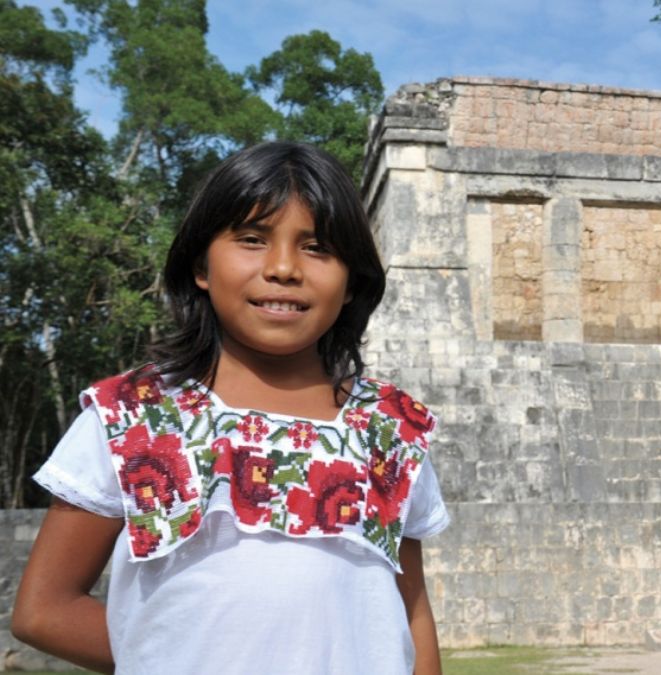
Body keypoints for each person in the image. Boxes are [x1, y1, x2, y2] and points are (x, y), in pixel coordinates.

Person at [11, 142, 449, 675]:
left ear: (352, 279)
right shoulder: (133, 416)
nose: (284, 268)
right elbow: (44, 610)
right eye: (251, 239)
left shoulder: (392, 430)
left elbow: (412, 615)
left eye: (317, 247)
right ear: (201, 265)